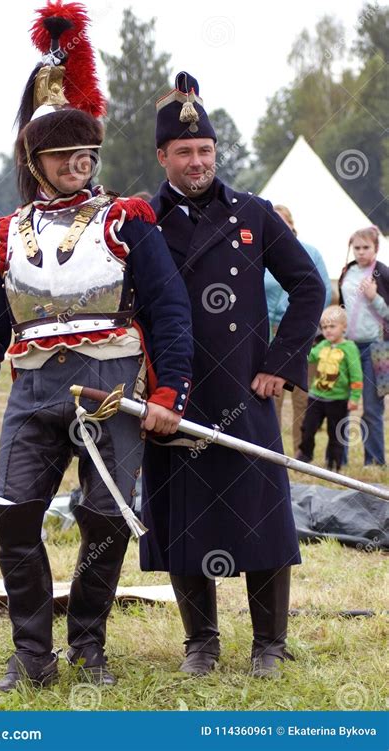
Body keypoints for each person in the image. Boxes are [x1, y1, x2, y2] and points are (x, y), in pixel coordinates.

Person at [0, 4, 193, 693]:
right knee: (13, 515)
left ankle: (88, 645)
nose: (77, 164)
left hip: (113, 389)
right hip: (32, 395)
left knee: (103, 519)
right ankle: (31, 652)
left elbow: (172, 309)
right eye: (63, 155)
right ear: (37, 160)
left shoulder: (127, 220)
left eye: (85, 153)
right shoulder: (3, 235)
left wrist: (171, 388)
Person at [140, 71, 326, 678]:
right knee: (186, 517)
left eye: (206, 151)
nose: (197, 162)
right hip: (175, 395)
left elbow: (307, 286)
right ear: (163, 155)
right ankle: (202, 643)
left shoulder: (255, 214)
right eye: (185, 152)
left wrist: (281, 365)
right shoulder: (139, 222)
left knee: (262, 515)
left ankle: (269, 643)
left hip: (245, 393)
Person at [265, 205, 332, 455]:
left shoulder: (310, 252)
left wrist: (299, 319)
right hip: (269, 331)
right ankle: (272, 451)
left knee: (302, 395)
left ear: (292, 225)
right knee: (271, 394)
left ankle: (302, 452)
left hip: (302, 332)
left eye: (282, 222)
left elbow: (322, 290)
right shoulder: (261, 251)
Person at [339, 226, 389, 466]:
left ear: (376, 248)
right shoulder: (347, 272)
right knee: (340, 401)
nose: (360, 252)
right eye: (356, 248)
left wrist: (374, 297)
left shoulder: (382, 273)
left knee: (371, 406)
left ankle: (375, 460)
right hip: (347, 345)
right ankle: (338, 459)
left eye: (365, 247)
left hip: (376, 347)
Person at [296, 306, 362, 471]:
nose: (328, 331)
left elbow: (356, 375)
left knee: (336, 433)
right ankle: (305, 454)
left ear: (344, 327)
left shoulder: (350, 348)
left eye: (332, 326)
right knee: (308, 427)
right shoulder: (323, 344)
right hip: (316, 397)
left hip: (338, 400)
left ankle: (333, 463)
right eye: (324, 327)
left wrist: (354, 398)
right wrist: (300, 348)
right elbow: (310, 357)